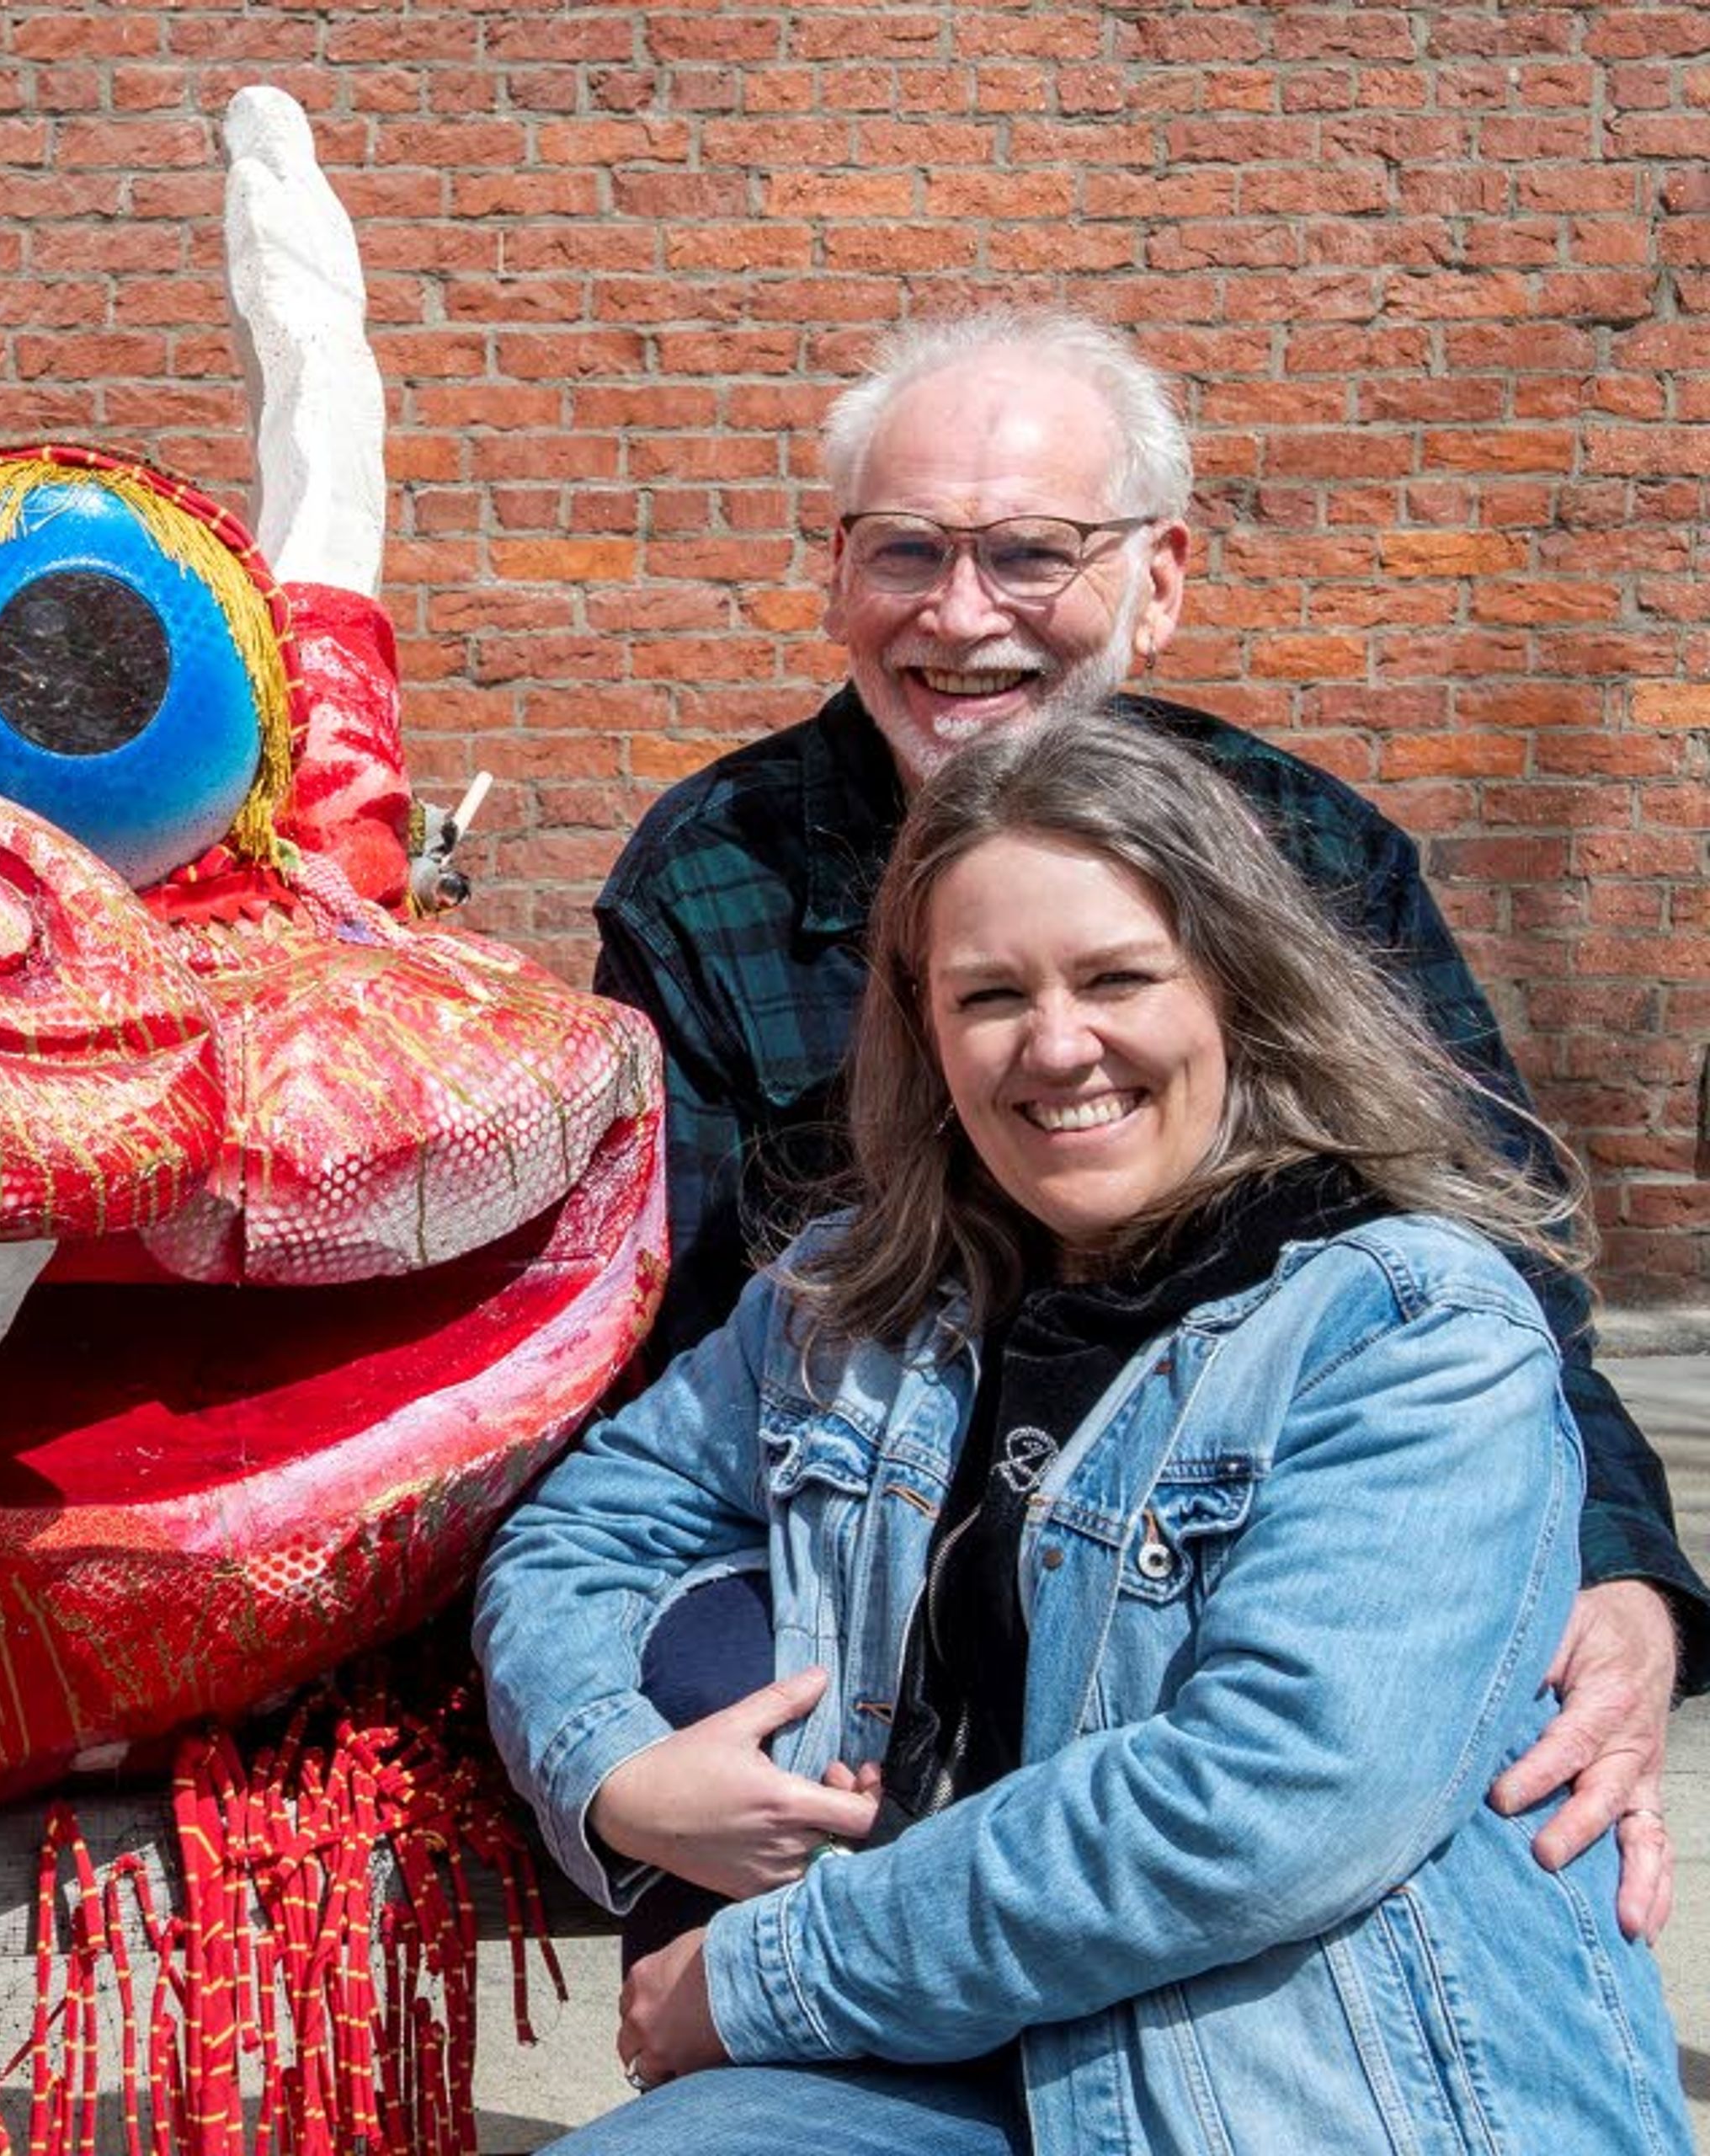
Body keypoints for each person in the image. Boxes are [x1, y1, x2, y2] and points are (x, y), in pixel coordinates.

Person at [590, 307, 1703, 1937]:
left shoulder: (1311, 856)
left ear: (1161, 579)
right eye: (906, 550)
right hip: (852, 1621)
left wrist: (1620, 1570)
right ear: (837, 577)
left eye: (1032, 553)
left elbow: (1498, 1262)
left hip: (1229, 1600)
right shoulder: (714, 871)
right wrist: (629, 1756)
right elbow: (654, 1362)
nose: (960, 615)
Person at [478, 709, 1689, 2153]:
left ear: (1237, 990)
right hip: (937, 2068)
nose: (1059, 1047)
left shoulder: (1407, 1329)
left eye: (1118, 977)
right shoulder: (859, 1301)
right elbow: (577, 1528)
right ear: (923, 1029)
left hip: (1299, 2084)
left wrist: (763, 1975)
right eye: (990, 996)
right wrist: (614, 1768)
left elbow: (1256, 1808)